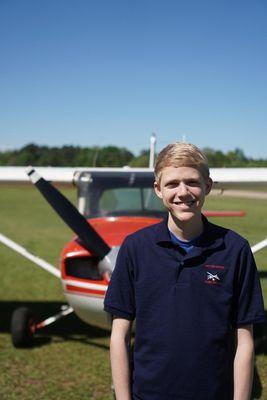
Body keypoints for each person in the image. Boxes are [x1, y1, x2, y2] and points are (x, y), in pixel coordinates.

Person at [104, 142, 265, 400]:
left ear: (207, 186)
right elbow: (119, 334)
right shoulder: (135, 247)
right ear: (157, 189)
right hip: (149, 394)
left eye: (192, 182)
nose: (183, 192)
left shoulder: (235, 250)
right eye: (172, 184)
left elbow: (245, 341)